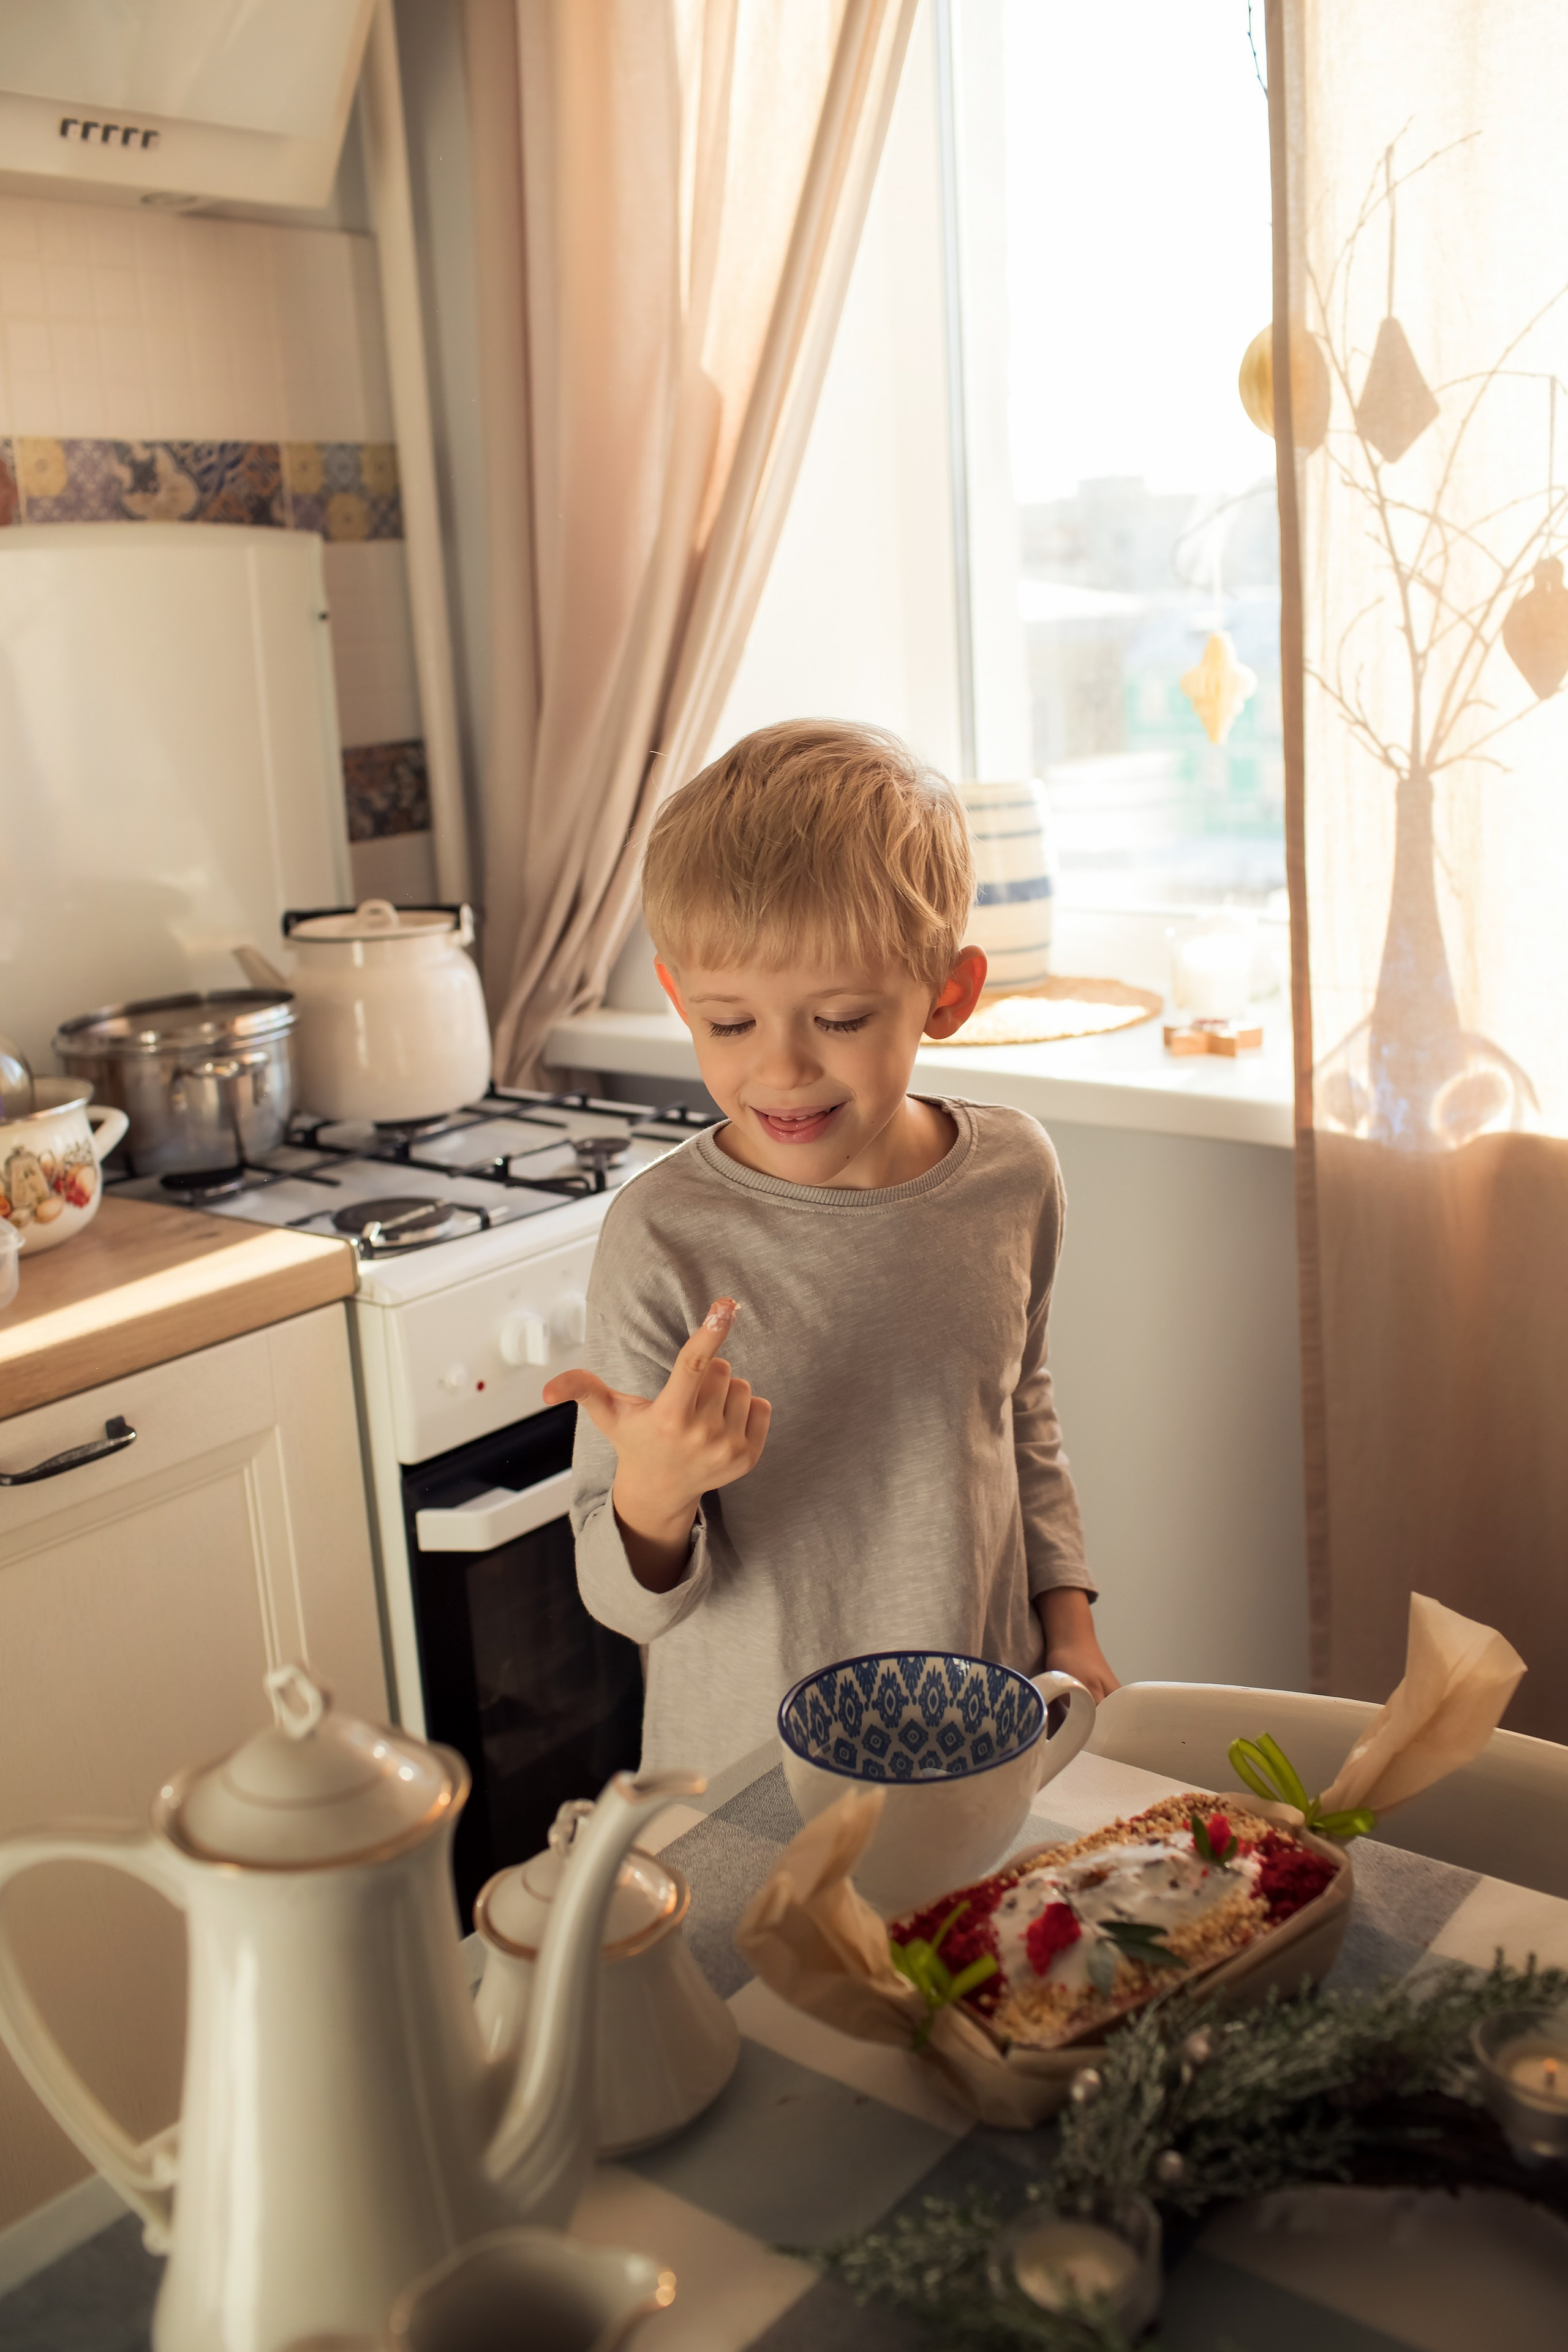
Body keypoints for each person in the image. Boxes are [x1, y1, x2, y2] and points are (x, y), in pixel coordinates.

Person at [543, 718, 1119, 1776]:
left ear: (948, 995)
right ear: (679, 1000)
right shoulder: (664, 1234)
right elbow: (620, 1601)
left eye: (842, 1018)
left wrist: (1068, 1624)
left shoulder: (1013, 1175)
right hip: (747, 1783)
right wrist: (658, 1491)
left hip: (979, 1737)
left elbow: (1020, 1409)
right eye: (729, 1025)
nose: (783, 1070)